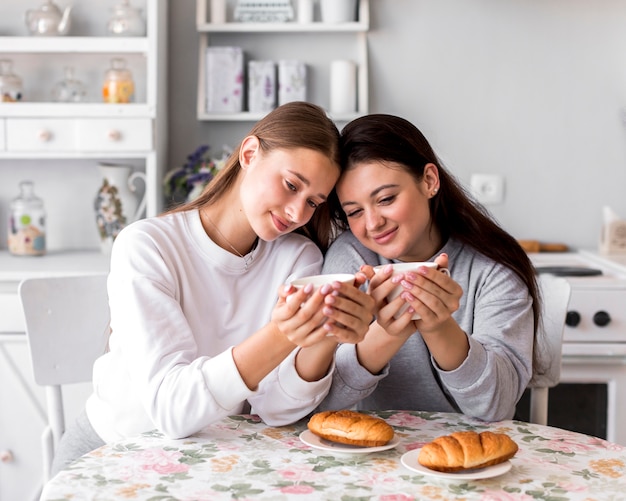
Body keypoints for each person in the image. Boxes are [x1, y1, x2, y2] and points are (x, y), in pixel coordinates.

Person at [51, 102, 375, 475]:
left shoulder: (298, 258)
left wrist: (326, 334)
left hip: (213, 463)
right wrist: (282, 335)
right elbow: (173, 410)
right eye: (291, 185)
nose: (298, 213)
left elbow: (276, 410)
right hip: (112, 455)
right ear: (250, 154)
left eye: (313, 202)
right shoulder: (147, 245)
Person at [318, 113, 541, 422]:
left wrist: (438, 326)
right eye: (354, 211)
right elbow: (321, 402)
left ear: (429, 181)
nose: (373, 223)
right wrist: (386, 333)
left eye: (386, 198)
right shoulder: (353, 260)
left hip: (471, 452)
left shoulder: (493, 268)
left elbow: (496, 406)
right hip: (376, 451)